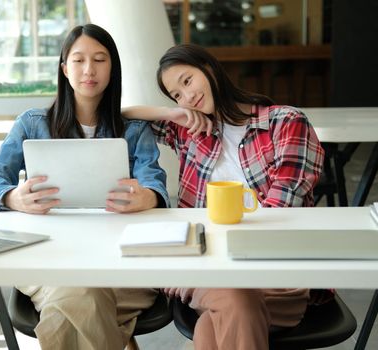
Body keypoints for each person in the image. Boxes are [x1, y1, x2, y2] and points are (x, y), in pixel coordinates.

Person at [0, 24, 169, 350]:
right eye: (79, 60)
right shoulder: (32, 123)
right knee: (81, 293)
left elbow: (154, 182)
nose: (89, 70)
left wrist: (147, 198)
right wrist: (13, 196)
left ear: (113, 68)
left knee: (74, 299)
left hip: (121, 259)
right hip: (49, 257)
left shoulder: (135, 131)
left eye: (99, 59)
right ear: (65, 68)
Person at [123, 44, 326, 350]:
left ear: (209, 67)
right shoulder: (188, 131)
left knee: (218, 318)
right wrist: (169, 112)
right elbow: (112, 117)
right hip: (203, 267)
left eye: (188, 81)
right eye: (176, 94)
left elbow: (281, 213)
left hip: (276, 272)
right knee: (234, 299)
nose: (187, 97)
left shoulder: (285, 123)